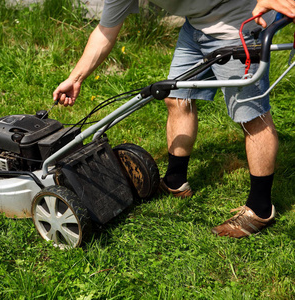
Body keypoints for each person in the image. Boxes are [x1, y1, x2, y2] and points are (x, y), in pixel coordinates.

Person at [52, 0, 295, 238]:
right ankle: (175, 180)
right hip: (196, 27)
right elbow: (105, 31)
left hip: (239, 23)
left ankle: (260, 209)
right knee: (176, 97)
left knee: (251, 117)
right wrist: (76, 78)